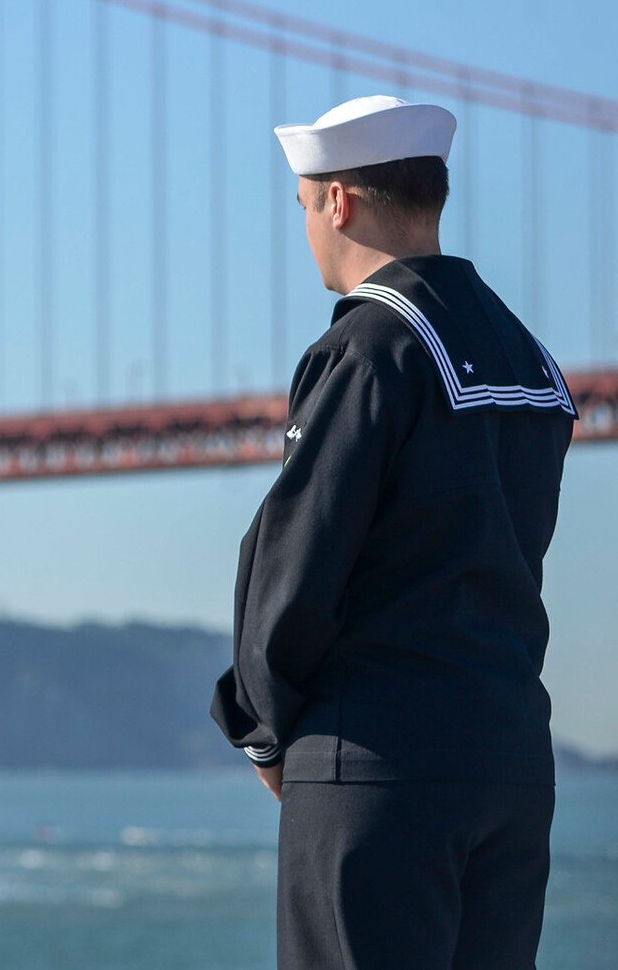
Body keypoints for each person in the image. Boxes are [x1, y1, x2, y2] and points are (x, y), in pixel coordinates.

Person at [211, 95, 574, 969]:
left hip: (376, 767)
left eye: (303, 205)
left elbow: (298, 557)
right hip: (510, 764)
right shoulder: (531, 357)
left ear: (339, 200)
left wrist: (262, 728)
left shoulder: (371, 347)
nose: (306, 229)